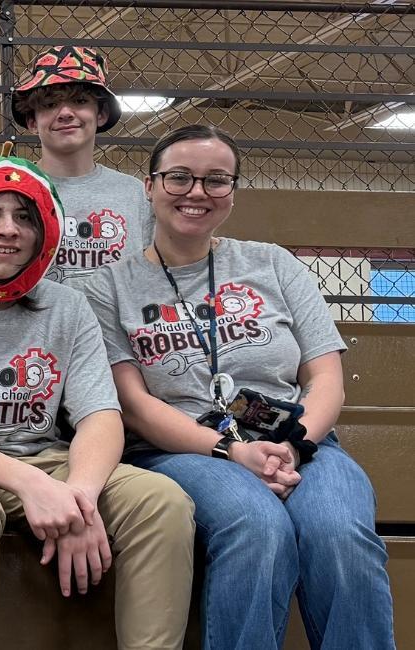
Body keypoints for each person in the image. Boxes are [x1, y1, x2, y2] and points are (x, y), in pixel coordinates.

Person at [80, 124, 395, 649]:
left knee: (339, 534)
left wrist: (295, 445)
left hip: (300, 444)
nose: (196, 192)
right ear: (149, 187)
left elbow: (325, 378)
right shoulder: (107, 287)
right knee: (256, 528)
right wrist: (230, 452)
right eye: (178, 177)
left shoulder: (273, 263)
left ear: (232, 191)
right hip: (179, 450)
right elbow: (132, 404)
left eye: (215, 180)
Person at [0, 156, 194, 650]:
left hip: (46, 458)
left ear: (43, 231)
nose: (8, 230)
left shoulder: (68, 305)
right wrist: (36, 488)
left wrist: (81, 497)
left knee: (161, 501)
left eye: (24, 217)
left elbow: (100, 415)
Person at [11, 46, 150, 285]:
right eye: (50, 104)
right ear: (32, 121)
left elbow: (155, 271)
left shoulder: (133, 193)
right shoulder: (11, 188)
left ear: (101, 114)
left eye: (80, 101)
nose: (65, 112)